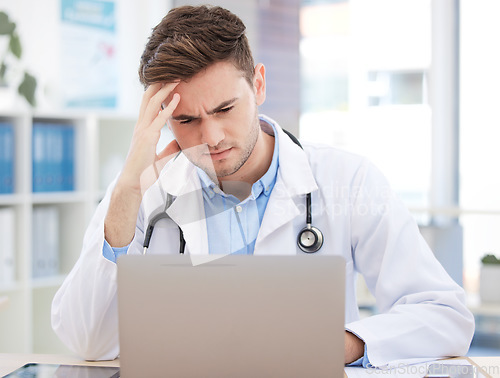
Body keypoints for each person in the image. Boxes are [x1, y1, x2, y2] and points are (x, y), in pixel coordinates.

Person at [51, 4, 474, 367]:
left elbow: (445, 315)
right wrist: (127, 190)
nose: (211, 136)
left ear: (258, 84)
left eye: (224, 108)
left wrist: (343, 343)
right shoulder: (142, 190)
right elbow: (87, 339)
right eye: (186, 120)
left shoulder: (347, 179)